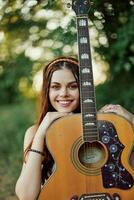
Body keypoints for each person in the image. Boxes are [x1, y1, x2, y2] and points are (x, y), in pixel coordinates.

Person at [15, 56, 134, 200]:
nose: (64, 93)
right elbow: (26, 196)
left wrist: (131, 120)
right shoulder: (34, 132)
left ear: (84, 90)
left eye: (73, 86)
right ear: (47, 91)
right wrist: (41, 132)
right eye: (55, 86)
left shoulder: (107, 128)